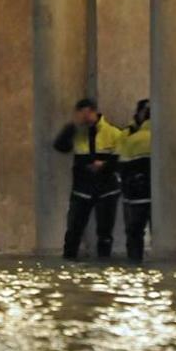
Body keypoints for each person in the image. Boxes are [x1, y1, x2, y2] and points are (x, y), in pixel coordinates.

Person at [53, 97, 125, 260]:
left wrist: (104, 165)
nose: (83, 118)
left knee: (105, 232)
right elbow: (60, 146)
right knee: (73, 230)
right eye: (80, 114)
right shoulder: (77, 133)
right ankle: (69, 261)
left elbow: (121, 160)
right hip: (82, 189)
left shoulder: (113, 133)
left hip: (106, 189)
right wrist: (71, 127)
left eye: (85, 114)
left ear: (92, 112)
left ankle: (103, 263)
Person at [117, 99, 152, 262]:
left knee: (134, 232)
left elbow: (122, 166)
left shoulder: (132, 138)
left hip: (136, 195)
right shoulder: (166, 136)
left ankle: (135, 262)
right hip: (161, 198)